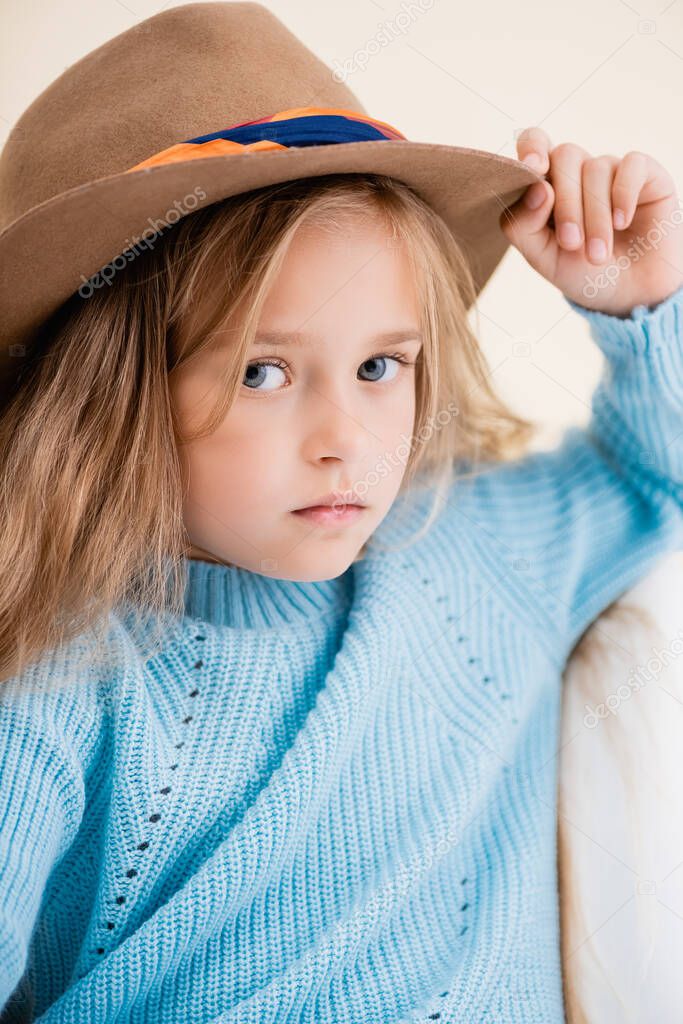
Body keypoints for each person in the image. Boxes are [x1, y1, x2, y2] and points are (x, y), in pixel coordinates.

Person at [0, 4, 681, 1022]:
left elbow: (653, 477)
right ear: (114, 395)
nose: (345, 438)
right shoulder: (61, 687)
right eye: (264, 370)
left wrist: (640, 310)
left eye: (377, 366)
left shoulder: (469, 554)